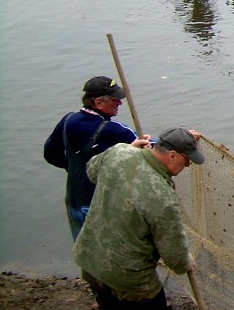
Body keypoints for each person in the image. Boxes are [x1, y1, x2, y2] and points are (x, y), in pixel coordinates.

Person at [73, 127, 204, 309]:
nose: (187, 166)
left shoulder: (119, 152)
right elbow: (174, 256)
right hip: (130, 279)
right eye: (187, 160)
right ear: (172, 156)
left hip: (90, 260)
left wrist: (130, 148)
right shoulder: (162, 195)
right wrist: (185, 261)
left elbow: (92, 171)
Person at [44, 76, 151, 241]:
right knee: (109, 259)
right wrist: (185, 138)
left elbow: (50, 154)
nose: (120, 103)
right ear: (99, 103)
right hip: (98, 206)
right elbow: (151, 147)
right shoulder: (113, 130)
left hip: (74, 203)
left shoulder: (68, 120)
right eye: (115, 100)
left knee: (85, 256)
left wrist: (74, 167)